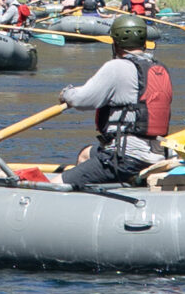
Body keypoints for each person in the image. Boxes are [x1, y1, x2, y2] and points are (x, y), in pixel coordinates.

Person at [57, 14, 174, 187]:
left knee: (57, 184)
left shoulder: (117, 67)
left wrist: (66, 93)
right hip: (157, 155)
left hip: (125, 158)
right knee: (85, 154)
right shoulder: (159, 68)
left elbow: (81, 100)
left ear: (116, 42)